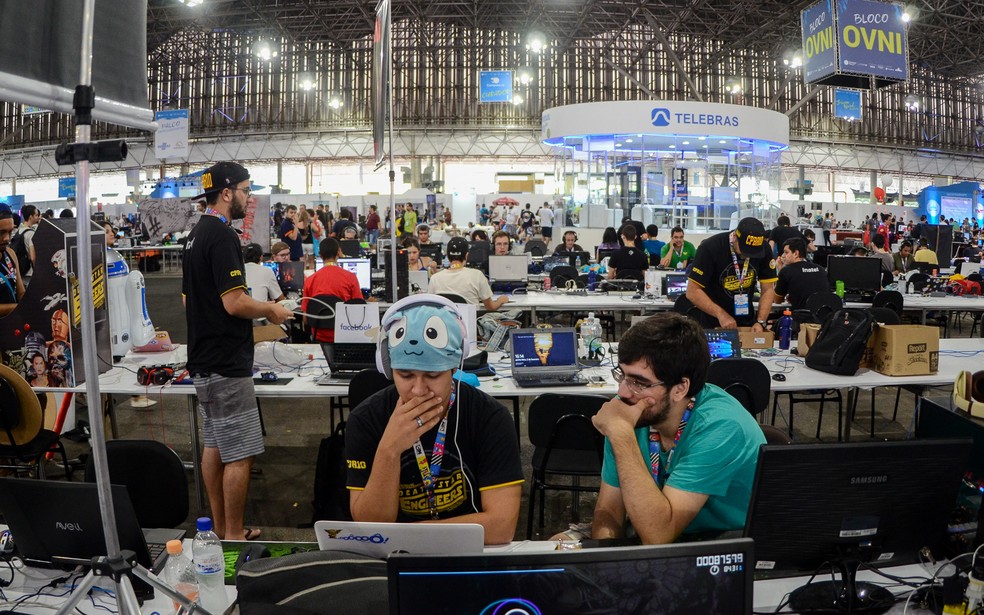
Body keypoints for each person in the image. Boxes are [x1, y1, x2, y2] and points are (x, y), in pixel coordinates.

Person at [344, 296, 523, 544]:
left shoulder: (489, 417)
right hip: (394, 558)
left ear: (455, 367)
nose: (418, 390)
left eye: (432, 375)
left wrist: (409, 535)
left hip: (465, 554)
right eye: (405, 375)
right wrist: (389, 450)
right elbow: (369, 526)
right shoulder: (366, 419)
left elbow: (501, 527)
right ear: (387, 367)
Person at [183, 161, 292, 541]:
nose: (249, 197)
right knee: (240, 452)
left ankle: (223, 529)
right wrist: (271, 310)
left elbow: (188, 301)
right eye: (246, 190)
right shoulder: (224, 237)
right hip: (226, 363)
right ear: (227, 192)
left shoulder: (195, 236)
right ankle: (231, 536)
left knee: (214, 445)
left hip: (203, 359)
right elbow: (234, 303)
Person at [586, 313, 765, 544]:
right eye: (622, 375)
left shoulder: (722, 426)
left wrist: (621, 434)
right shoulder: (633, 412)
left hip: (727, 543)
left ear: (680, 389)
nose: (623, 392)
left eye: (639, 382)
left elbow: (658, 536)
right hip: (660, 530)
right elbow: (609, 511)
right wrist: (605, 560)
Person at [686, 217, 777, 331]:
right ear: (734, 237)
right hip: (712, 321)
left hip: (746, 322)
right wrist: (721, 314)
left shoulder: (764, 249)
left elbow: (768, 289)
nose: (747, 255)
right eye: (744, 250)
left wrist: (761, 321)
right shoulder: (711, 247)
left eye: (753, 253)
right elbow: (692, 291)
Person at [302, 238, 364, 343]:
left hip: (318, 338)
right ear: (338, 253)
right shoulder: (350, 277)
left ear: (320, 255)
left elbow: (306, 319)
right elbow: (358, 310)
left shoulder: (309, 280)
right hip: (344, 337)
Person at [428, 237, 508, 312]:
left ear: (448, 256)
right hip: (470, 325)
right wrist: (500, 300)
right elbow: (490, 307)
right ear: (466, 255)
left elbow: (430, 307)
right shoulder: (477, 275)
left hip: (446, 325)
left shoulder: (435, 278)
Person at [775, 238, 828, 310]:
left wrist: (779, 269)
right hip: (824, 318)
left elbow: (777, 300)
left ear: (796, 253)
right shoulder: (821, 269)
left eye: (786, 252)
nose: (783, 256)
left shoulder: (786, 271)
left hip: (801, 318)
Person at [0, 205, 25, 317]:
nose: (6, 238)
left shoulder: (10, 254)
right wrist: (18, 307)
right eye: (1, 233)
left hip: (12, 326)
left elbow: (21, 292)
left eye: (10, 232)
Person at [14, 204, 40, 278]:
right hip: (29, 272)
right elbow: (33, 257)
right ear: (30, 217)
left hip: (21, 271)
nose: (37, 217)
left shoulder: (20, 231)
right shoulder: (31, 233)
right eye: (36, 215)